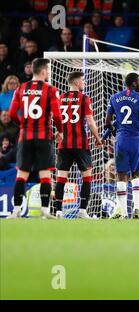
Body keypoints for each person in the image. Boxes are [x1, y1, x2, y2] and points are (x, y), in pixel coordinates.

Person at [7, 58, 64, 219]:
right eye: (49, 70)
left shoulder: (21, 88)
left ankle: (16, 210)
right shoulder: (50, 89)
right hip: (44, 137)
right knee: (45, 174)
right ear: (44, 71)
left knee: (21, 175)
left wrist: (22, 125)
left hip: (25, 136)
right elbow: (58, 116)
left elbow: (11, 113)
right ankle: (45, 211)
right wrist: (60, 131)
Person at [104, 73, 139, 219]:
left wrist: (115, 132)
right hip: (137, 141)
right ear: (133, 83)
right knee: (136, 174)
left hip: (121, 141)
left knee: (121, 176)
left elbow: (107, 122)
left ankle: (123, 212)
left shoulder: (114, 97)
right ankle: (137, 208)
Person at [54, 72, 103, 219]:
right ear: (76, 82)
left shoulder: (60, 98)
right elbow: (90, 122)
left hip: (64, 145)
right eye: (83, 80)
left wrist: (58, 132)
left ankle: (58, 211)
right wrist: (98, 138)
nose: (85, 83)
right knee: (86, 177)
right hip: (80, 144)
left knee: (61, 177)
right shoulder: (84, 98)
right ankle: (82, 211)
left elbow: (54, 118)